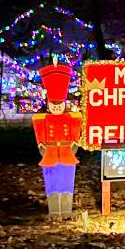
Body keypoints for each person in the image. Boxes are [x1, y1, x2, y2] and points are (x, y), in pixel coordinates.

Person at [33, 60, 82, 217]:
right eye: (53, 106)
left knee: (67, 182)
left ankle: (66, 211)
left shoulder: (72, 117)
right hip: (50, 153)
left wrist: (74, 145)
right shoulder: (42, 118)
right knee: (52, 183)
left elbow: (75, 130)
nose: (56, 108)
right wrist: (42, 146)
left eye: (59, 105)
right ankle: (54, 211)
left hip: (67, 153)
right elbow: (40, 132)